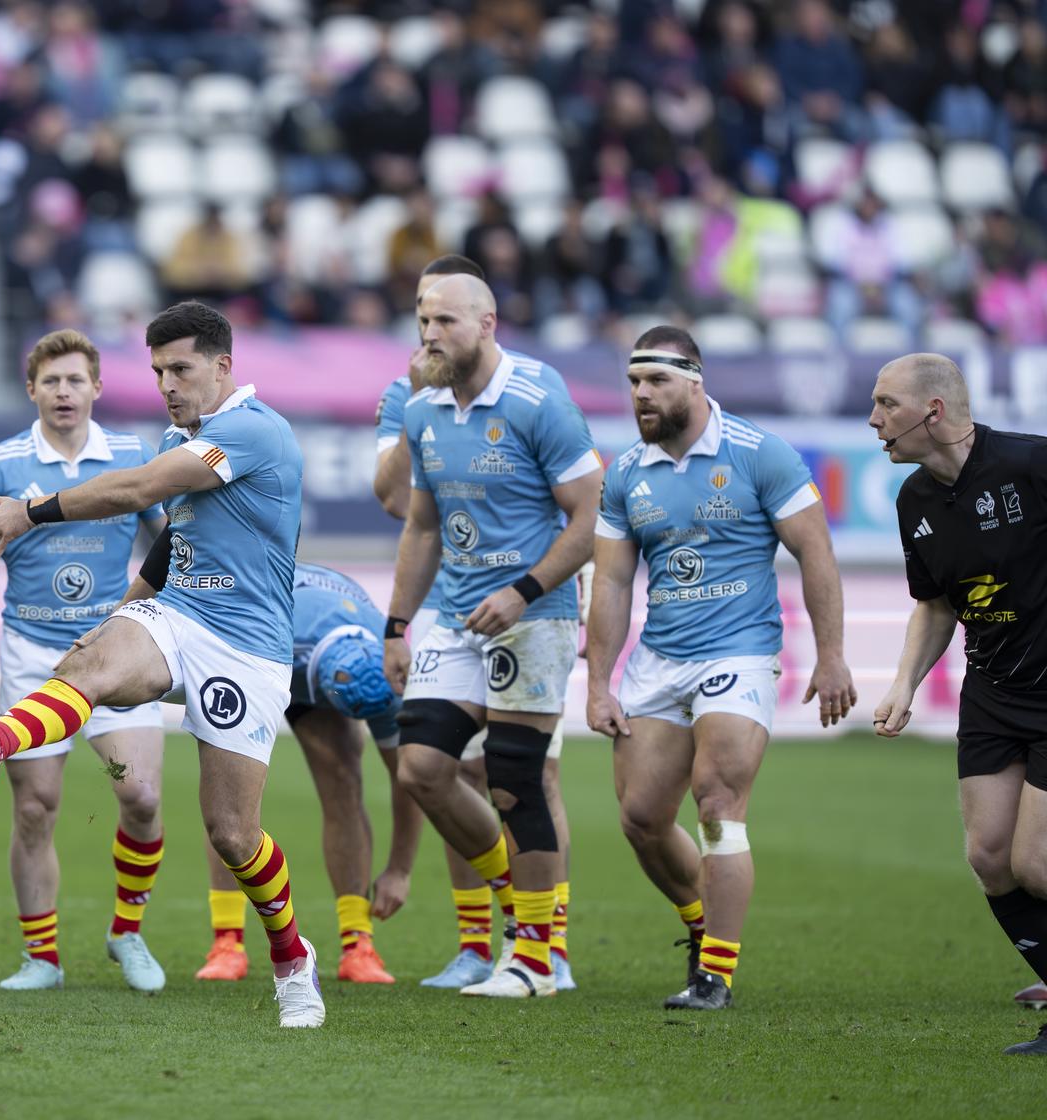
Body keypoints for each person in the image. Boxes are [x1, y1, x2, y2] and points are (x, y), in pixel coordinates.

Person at [0, 301, 327, 1028]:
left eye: (181, 368)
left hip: (247, 646)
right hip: (177, 617)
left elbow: (143, 491)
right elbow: (175, 541)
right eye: (157, 371)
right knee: (86, 664)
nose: (168, 383)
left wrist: (33, 510)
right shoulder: (194, 433)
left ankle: (294, 958)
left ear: (223, 366)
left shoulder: (253, 430)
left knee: (233, 834)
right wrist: (130, 608)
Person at [587, 326, 855, 1012]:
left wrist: (831, 656)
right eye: (635, 384)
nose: (642, 396)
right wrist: (597, 682)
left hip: (738, 652)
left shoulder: (759, 453)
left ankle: (715, 975)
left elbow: (816, 554)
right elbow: (614, 584)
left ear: (695, 380)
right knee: (642, 818)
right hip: (660, 660)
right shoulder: (625, 472)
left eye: (657, 382)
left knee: (716, 800)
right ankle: (702, 922)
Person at [0, 328, 170, 993]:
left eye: (75, 380)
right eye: (51, 381)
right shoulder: (1, 467)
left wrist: (155, 618)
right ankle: (42, 957)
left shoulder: (131, 457)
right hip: (35, 656)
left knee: (140, 795)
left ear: (96, 387)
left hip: (114, 654)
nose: (64, 392)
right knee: (37, 807)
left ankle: (127, 932)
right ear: (31, 390)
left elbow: (170, 543)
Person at [383, 273, 603, 999]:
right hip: (453, 614)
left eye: (444, 320)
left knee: (515, 777)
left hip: (533, 614)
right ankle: (525, 913)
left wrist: (524, 591)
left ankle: (539, 959)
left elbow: (587, 521)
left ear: (488, 323)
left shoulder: (541, 401)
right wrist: (396, 625)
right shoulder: (423, 410)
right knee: (420, 768)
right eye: (422, 321)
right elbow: (419, 525)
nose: (429, 334)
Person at [869, 353, 1047, 1056]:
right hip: (993, 694)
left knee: (1036, 862)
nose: (875, 420)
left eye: (886, 404)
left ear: (932, 411)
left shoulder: (1031, 466)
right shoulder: (914, 500)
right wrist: (903, 683)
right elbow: (935, 606)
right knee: (991, 856)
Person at [194, 561, 416, 985]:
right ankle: (227, 942)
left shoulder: (394, 670)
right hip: (254, 645)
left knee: (343, 778)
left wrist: (400, 869)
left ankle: (358, 945)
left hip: (319, 643)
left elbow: (408, 776)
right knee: (227, 791)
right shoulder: (276, 629)